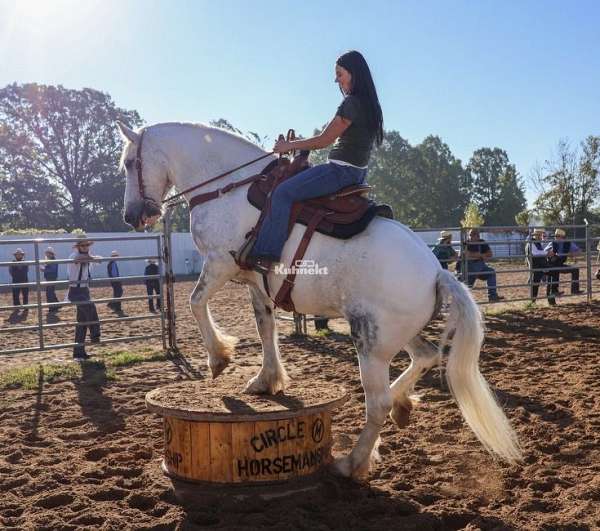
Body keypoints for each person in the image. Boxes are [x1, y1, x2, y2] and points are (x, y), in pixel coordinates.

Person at [237, 50, 384, 273]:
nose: (337, 80)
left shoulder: (352, 103)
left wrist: (289, 146)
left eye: (340, 74)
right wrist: (299, 143)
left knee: (282, 193)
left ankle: (266, 255)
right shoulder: (369, 104)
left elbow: (325, 139)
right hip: (356, 172)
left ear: (353, 73)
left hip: (339, 172)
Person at [67, 235, 101, 360]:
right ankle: (95, 334)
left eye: (87, 245)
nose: (86, 247)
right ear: (78, 247)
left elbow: (98, 260)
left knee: (82, 323)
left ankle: (78, 353)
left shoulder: (88, 257)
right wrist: (92, 257)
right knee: (90, 308)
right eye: (83, 245)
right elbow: (80, 258)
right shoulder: (73, 256)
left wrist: (93, 258)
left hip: (84, 291)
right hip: (75, 291)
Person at [463, 228, 503, 302]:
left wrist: (478, 255)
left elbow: (490, 254)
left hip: (480, 267)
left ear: (478, 236)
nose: (471, 237)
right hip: (469, 267)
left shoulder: (482, 242)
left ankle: (492, 296)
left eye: (473, 235)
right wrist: (480, 256)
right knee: (467, 286)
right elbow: (465, 254)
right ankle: (464, 300)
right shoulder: (466, 243)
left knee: (491, 272)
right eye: (470, 235)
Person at [545, 228, 582, 303]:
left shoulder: (568, 243)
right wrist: (549, 253)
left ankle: (574, 290)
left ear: (562, 237)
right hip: (551, 264)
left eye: (558, 236)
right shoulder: (552, 243)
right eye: (556, 236)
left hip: (560, 264)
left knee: (575, 269)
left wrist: (574, 254)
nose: (556, 237)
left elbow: (579, 250)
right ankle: (552, 301)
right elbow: (544, 252)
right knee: (551, 279)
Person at [526, 229, 551, 303]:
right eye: (540, 235)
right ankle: (533, 301)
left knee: (538, 282)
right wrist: (547, 253)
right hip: (536, 265)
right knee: (535, 283)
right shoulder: (532, 243)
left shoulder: (536, 242)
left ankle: (548, 298)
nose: (541, 236)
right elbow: (535, 253)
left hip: (539, 265)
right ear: (537, 235)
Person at [41, 247, 60, 313]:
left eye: (47, 253)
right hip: (50, 278)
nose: (46, 254)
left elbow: (52, 270)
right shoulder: (50, 260)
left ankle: (52, 307)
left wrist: (44, 269)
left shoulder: (52, 260)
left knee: (49, 293)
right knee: (51, 292)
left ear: (50, 254)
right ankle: (57, 305)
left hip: (51, 278)